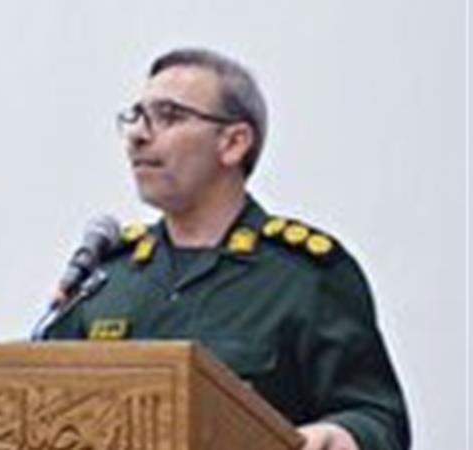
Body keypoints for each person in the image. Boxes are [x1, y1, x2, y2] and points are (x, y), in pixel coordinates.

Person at [42, 48, 410, 450]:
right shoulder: (108, 280)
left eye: (169, 116)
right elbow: (38, 399)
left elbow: (378, 419)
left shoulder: (304, 277)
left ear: (233, 143)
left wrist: (337, 435)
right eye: (136, 116)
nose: (138, 135)